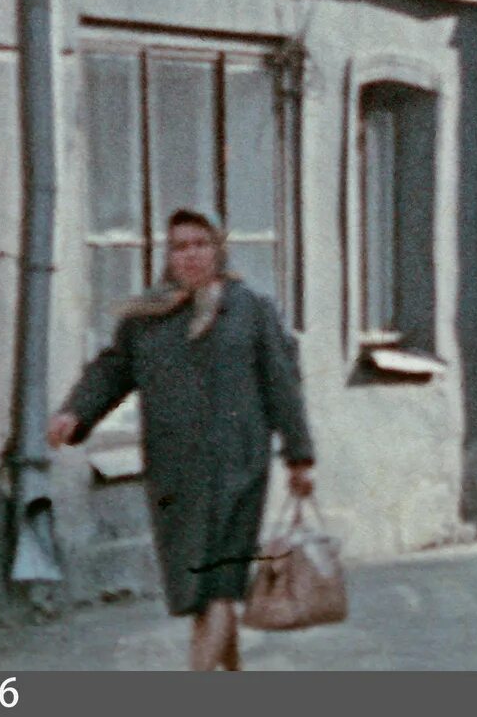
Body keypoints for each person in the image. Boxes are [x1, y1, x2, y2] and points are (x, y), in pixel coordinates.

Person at [48, 209, 315, 671]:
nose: (189, 255)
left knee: (219, 584)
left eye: (200, 244)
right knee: (198, 590)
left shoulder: (250, 311)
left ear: (218, 249)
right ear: (167, 255)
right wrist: (76, 411)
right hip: (174, 473)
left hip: (239, 469)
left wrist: (299, 457)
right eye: (179, 246)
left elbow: (282, 385)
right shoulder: (149, 317)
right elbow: (113, 368)